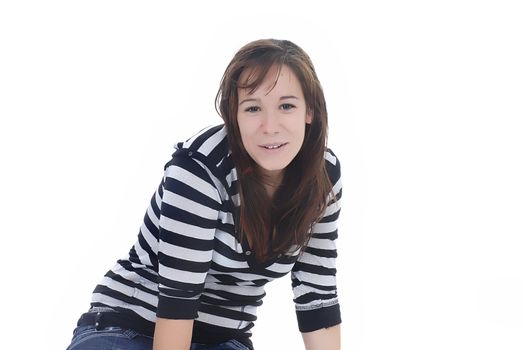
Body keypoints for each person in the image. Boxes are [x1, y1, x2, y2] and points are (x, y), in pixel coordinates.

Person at [66, 38, 342, 350]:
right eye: (253, 108)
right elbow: (177, 300)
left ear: (310, 111)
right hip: (132, 324)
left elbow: (317, 295)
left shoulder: (323, 177)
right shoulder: (200, 170)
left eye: (287, 106)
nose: (270, 126)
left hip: (222, 340)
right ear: (233, 116)